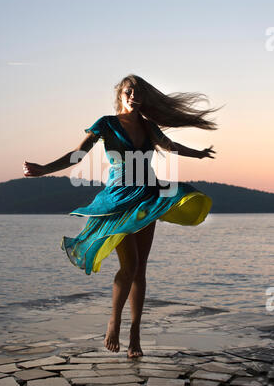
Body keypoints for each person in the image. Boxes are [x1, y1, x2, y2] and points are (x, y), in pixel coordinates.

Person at [23, 74, 220, 359]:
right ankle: (114, 323)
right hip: (118, 201)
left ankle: (135, 333)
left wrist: (199, 154)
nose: (134, 96)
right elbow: (77, 156)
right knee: (130, 266)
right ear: (120, 94)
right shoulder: (107, 124)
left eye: (139, 92)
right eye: (129, 91)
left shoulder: (148, 127)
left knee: (141, 269)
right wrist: (43, 169)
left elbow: (171, 147)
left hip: (148, 198)